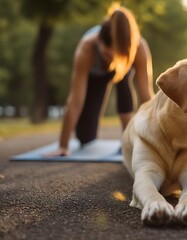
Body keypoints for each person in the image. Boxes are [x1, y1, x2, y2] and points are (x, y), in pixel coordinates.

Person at [46, 4, 154, 156]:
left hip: (123, 72)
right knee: (85, 137)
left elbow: (146, 96)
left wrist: (158, 139)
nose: (111, 63)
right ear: (99, 42)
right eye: (108, 57)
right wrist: (63, 145)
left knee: (123, 81)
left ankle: (128, 140)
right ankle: (84, 136)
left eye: (115, 58)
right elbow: (75, 100)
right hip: (95, 76)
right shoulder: (87, 49)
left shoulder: (138, 47)